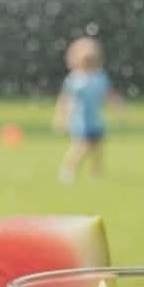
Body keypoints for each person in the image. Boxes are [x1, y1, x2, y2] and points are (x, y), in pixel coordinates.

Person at [53, 37, 122, 184]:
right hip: (80, 120)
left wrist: (117, 107)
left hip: (95, 119)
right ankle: (68, 169)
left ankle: (96, 173)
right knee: (81, 145)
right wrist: (61, 117)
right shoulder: (74, 80)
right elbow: (65, 100)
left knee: (97, 147)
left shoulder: (100, 77)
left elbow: (109, 94)